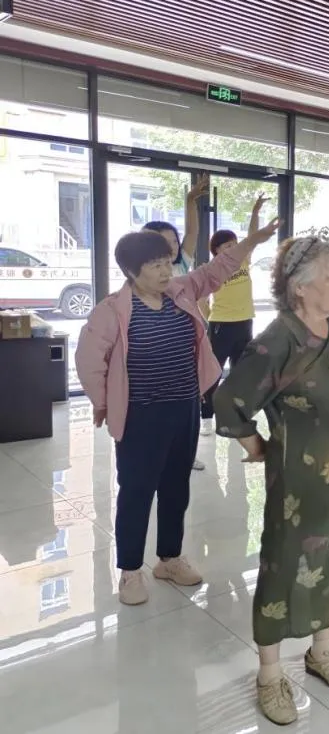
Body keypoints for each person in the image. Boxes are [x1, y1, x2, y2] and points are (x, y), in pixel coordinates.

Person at [212, 162, 329, 725]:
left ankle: (322, 652)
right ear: (300, 287)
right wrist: (255, 446)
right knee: (284, 568)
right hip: (300, 487)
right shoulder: (278, 341)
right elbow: (229, 401)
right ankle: (270, 675)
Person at [75, 217, 279, 607]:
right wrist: (103, 403)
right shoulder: (111, 311)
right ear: (132, 272)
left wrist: (253, 239)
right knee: (136, 491)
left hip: (184, 408)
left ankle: (169, 559)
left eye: (167, 263)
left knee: (175, 487)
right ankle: (130, 571)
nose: (166, 271)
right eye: (155, 266)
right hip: (140, 415)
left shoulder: (180, 291)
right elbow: (89, 362)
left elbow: (219, 269)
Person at [144, 172, 208, 470]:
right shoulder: (141, 274)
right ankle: (157, 453)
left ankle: (185, 453)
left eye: (173, 240)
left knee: (188, 404)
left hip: (184, 345)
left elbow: (193, 232)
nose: (171, 246)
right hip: (157, 348)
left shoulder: (181, 264)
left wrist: (190, 201)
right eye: (163, 241)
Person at [198, 192, 269, 435]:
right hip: (221, 325)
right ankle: (207, 417)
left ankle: (237, 415)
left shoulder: (244, 261)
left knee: (240, 373)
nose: (233, 247)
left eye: (234, 243)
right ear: (217, 250)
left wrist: (256, 212)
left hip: (245, 323)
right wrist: (210, 319)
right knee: (213, 372)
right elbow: (201, 299)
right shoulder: (211, 269)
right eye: (228, 245)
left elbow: (252, 237)